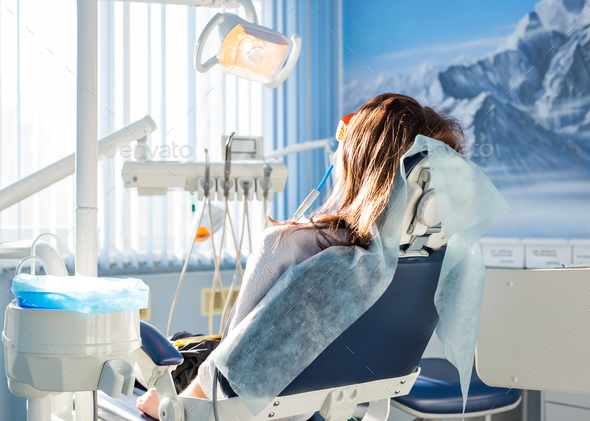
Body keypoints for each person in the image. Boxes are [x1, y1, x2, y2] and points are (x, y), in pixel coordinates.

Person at [137, 93, 465, 420]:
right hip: (327, 408)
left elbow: (225, 382)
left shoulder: (290, 244)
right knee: (189, 344)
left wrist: (175, 410)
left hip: (241, 406)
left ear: (358, 164)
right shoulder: (433, 262)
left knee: (164, 350)